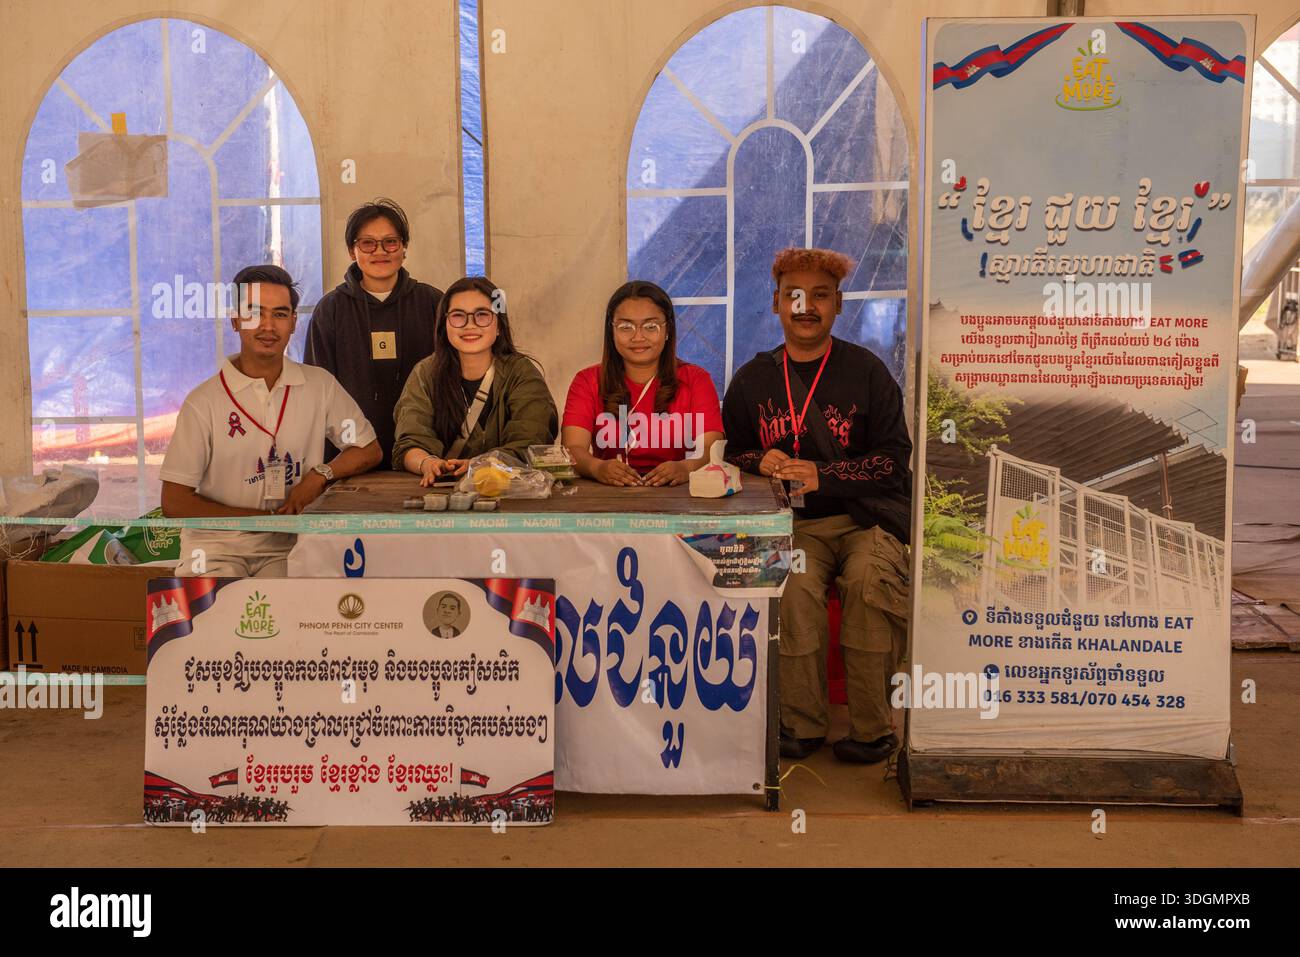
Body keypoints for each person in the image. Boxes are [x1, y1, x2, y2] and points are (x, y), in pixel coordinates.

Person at [722, 248, 913, 764]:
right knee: (796, 585)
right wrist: (762, 460)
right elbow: (732, 453)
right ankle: (802, 725)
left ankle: (874, 729)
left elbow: (895, 462)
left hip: (866, 519)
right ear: (777, 304)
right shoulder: (752, 379)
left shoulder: (868, 372)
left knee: (870, 583)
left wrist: (823, 475)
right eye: (794, 296)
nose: (807, 306)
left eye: (820, 296)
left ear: (839, 305)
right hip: (793, 524)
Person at [160, 265, 383, 576]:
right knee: (217, 617)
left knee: (298, 612)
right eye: (254, 313)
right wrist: (259, 520)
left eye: (279, 314)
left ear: (293, 322)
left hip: (290, 547)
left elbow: (367, 449)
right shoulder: (204, 402)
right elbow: (175, 502)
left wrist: (319, 475)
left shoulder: (318, 384)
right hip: (214, 550)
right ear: (235, 320)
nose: (268, 326)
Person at [304, 198, 443, 469]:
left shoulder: (433, 303)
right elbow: (317, 391)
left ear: (404, 248)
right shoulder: (330, 310)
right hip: (350, 455)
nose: (380, 251)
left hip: (427, 453)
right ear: (351, 250)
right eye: (367, 243)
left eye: (390, 242)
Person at [392, 276, 557, 483]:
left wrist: (479, 465)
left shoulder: (522, 373)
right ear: (445, 326)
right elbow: (409, 441)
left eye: (482, 315)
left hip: (507, 493)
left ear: (499, 325)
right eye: (458, 316)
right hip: (439, 492)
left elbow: (530, 443)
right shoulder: (425, 372)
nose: (470, 325)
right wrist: (428, 463)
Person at [562, 280, 723, 486]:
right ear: (611, 331)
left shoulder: (696, 380)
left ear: (667, 330)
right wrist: (597, 468)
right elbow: (572, 448)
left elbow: (712, 448)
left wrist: (686, 467)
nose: (638, 337)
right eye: (626, 327)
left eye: (650, 326)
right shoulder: (587, 381)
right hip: (610, 494)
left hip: (680, 495)